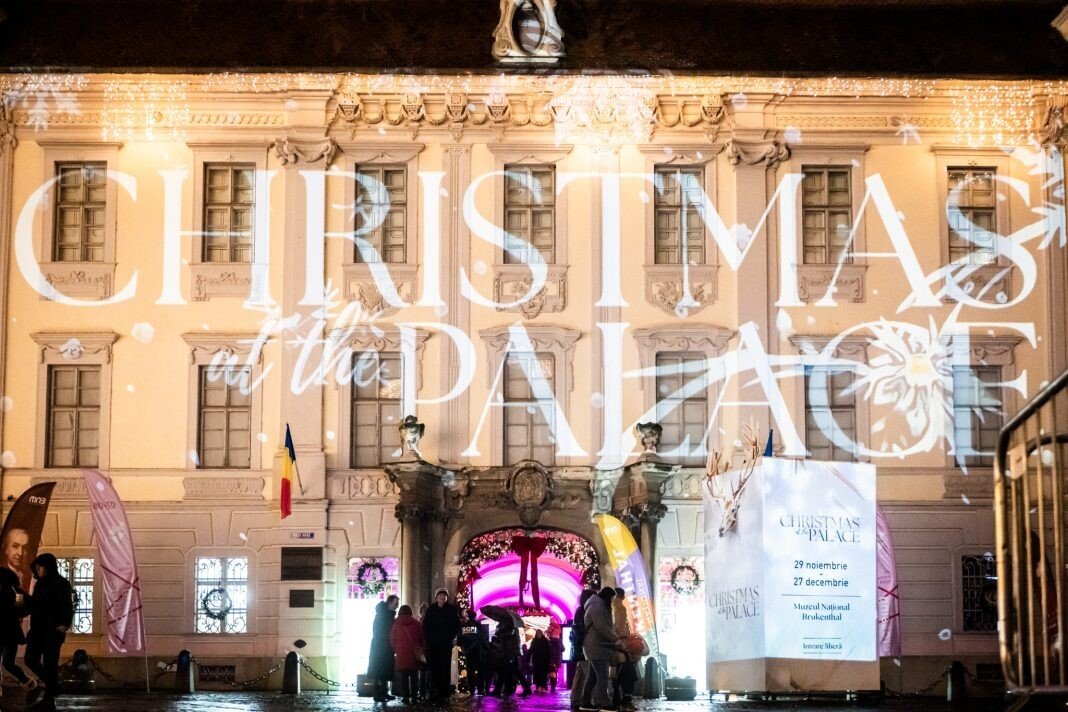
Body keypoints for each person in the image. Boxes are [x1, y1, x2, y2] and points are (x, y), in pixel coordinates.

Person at [24, 553, 74, 711]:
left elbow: (67, 605)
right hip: (37, 629)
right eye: (36, 567)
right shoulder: (40, 584)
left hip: (53, 630)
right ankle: (54, 685)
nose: (37, 569)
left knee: (50, 664)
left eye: (40, 566)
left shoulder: (62, 583)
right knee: (30, 659)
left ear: (49, 567)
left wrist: (64, 623)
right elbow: (35, 605)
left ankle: (49, 701)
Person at [579, 587, 620, 712]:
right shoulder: (598, 606)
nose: (612, 601)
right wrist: (615, 639)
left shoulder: (596, 604)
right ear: (607, 596)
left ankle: (585, 702)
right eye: (612, 598)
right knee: (602, 675)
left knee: (592, 676)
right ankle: (604, 703)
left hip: (595, 645)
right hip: (596, 646)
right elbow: (601, 626)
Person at [421, 588, 460, 704]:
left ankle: (444, 692)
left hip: (445, 644)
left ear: (446, 597)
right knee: (434, 668)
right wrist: (429, 639)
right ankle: (436, 691)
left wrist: (449, 637)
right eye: (440, 595)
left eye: (444, 595)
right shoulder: (431, 609)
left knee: (445, 668)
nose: (442, 597)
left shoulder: (451, 609)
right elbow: (425, 626)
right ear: (437, 597)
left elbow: (456, 625)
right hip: (433, 644)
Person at [0, 566, 35, 691]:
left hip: (10, 632)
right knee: (8, 663)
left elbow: (30, 605)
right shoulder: (14, 590)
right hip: (10, 632)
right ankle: (27, 682)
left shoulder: (15, 591)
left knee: (8, 663)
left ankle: (27, 682)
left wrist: (19, 612)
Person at [389, 605, 425, 705]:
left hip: (401, 654)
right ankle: (414, 697)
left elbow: (392, 639)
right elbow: (422, 638)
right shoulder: (416, 624)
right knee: (414, 676)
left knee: (404, 677)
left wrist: (396, 649)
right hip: (414, 654)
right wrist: (421, 648)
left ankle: (405, 697)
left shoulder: (396, 624)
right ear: (410, 612)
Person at [368, 594, 399, 703]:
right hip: (380, 646)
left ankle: (384, 692)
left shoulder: (388, 615)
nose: (397, 606)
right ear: (390, 603)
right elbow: (379, 630)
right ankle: (377, 694)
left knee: (384, 670)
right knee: (378, 670)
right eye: (395, 603)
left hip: (385, 646)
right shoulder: (382, 615)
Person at [611, 587, 638, 711]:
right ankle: (626, 700)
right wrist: (624, 641)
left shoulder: (610, 606)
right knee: (628, 672)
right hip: (621, 643)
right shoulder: (620, 608)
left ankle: (616, 699)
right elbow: (620, 626)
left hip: (615, 644)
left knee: (617, 673)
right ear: (622, 596)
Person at [569, 589, 595, 709]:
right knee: (590, 674)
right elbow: (582, 629)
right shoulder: (583, 610)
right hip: (584, 647)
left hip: (579, 647)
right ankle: (588, 700)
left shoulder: (580, 610)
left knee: (580, 674)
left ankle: (575, 699)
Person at [457, 609, 488, 695]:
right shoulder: (478, 625)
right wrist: (485, 649)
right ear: (475, 616)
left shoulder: (464, 626)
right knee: (480, 672)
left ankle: (471, 690)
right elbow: (483, 639)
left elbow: (459, 640)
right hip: (478, 651)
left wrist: (463, 647)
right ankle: (480, 689)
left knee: (470, 672)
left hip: (468, 652)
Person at [548, 627, 565, 693]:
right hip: (557, 660)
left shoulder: (550, 641)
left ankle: (552, 687)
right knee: (555, 673)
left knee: (552, 673)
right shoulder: (559, 641)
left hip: (551, 660)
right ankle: (553, 687)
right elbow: (563, 649)